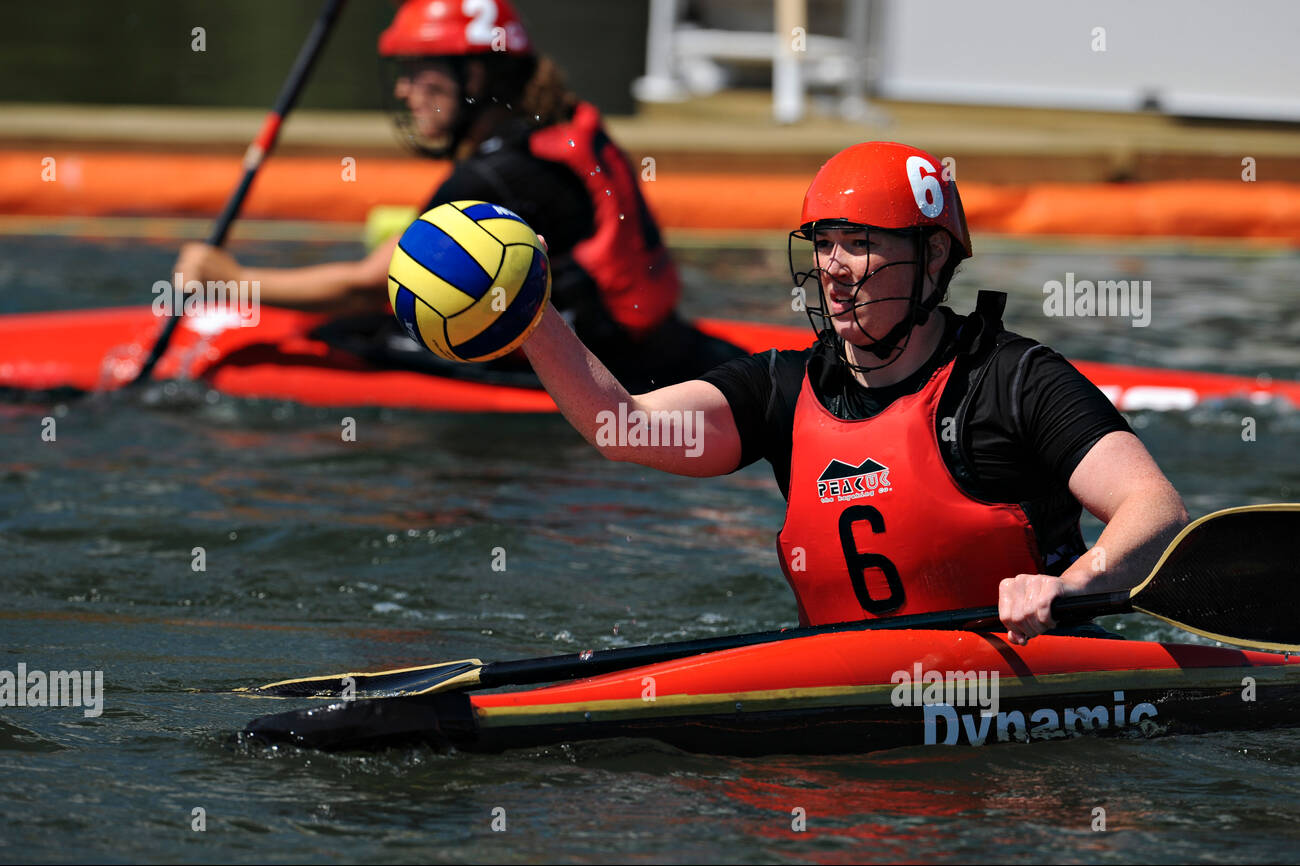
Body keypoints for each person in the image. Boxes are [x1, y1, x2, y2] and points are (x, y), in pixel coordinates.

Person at [520, 141, 1189, 643]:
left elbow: (1154, 507)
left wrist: (1071, 586)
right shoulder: (780, 389)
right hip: (848, 701)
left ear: (931, 259)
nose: (833, 271)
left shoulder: (1014, 380)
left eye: (859, 245)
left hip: (1025, 692)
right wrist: (531, 312)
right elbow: (621, 428)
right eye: (823, 244)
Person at [171, 0, 740, 392]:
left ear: (473, 78)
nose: (403, 88)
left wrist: (232, 278)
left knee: (343, 335)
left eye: (420, 71)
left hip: (601, 368)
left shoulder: (489, 179)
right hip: (660, 343)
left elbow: (371, 288)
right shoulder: (561, 124)